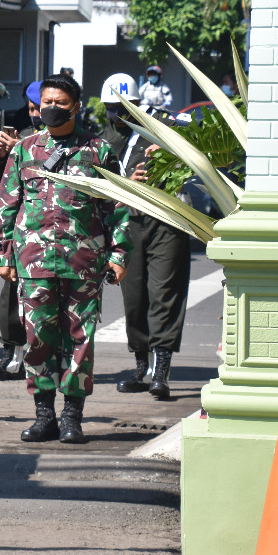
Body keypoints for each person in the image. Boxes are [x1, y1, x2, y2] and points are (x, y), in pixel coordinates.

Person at [0, 73, 132, 444]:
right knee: (37, 339)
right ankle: (44, 415)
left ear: (76, 107)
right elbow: (5, 206)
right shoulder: (25, 149)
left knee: (80, 340)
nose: (51, 109)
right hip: (34, 264)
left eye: (60, 103)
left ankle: (72, 416)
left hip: (83, 263)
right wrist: (2, 255)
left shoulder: (98, 152)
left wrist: (118, 254)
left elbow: (118, 208)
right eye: (46, 102)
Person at [99, 73, 191, 400]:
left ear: (137, 103)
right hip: (128, 221)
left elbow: (195, 126)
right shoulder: (105, 138)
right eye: (112, 108)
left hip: (167, 219)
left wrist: (169, 145)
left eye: (125, 107)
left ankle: (161, 372)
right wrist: (127, 179)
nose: (119, 114)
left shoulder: (162, 122)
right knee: (134, 296)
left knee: (164, 293)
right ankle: (141, 366)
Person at [0, 80, 43, 382]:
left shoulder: (70, 142)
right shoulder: (26, 137)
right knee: (11, 298)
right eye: (30, 108)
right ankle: (11, 357)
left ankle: (46, 362)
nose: (34, 114)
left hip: (55, 236)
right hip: (22, 233)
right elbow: (0, 178)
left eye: (38, 108)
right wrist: (3, 153)